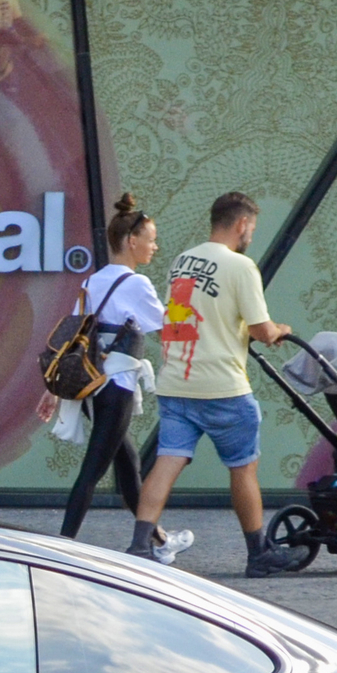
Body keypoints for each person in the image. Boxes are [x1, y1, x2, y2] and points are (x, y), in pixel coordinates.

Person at [128, 191, 293, 573]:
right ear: (241, 224)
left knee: (167, 461)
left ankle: (139, 545)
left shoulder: (183, 261)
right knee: (242, 467)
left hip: (176, 382)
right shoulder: (240, 266)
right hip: (222, 387)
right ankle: (258, 553)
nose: (250, 233)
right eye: (251, 226)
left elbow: (184, 317)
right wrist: (279, 330)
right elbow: (260, 329)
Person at [40, 194, 169, 544]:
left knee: (128, 467)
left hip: (92, 388)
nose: (154, 246)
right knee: (92, 472)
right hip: (118, 386)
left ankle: (156, 539)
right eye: (151, 238)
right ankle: (62, 544)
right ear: (132, 241)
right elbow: (168, 323)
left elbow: (71, 340)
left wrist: (50, 391)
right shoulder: (137, 284)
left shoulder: (91, 282)